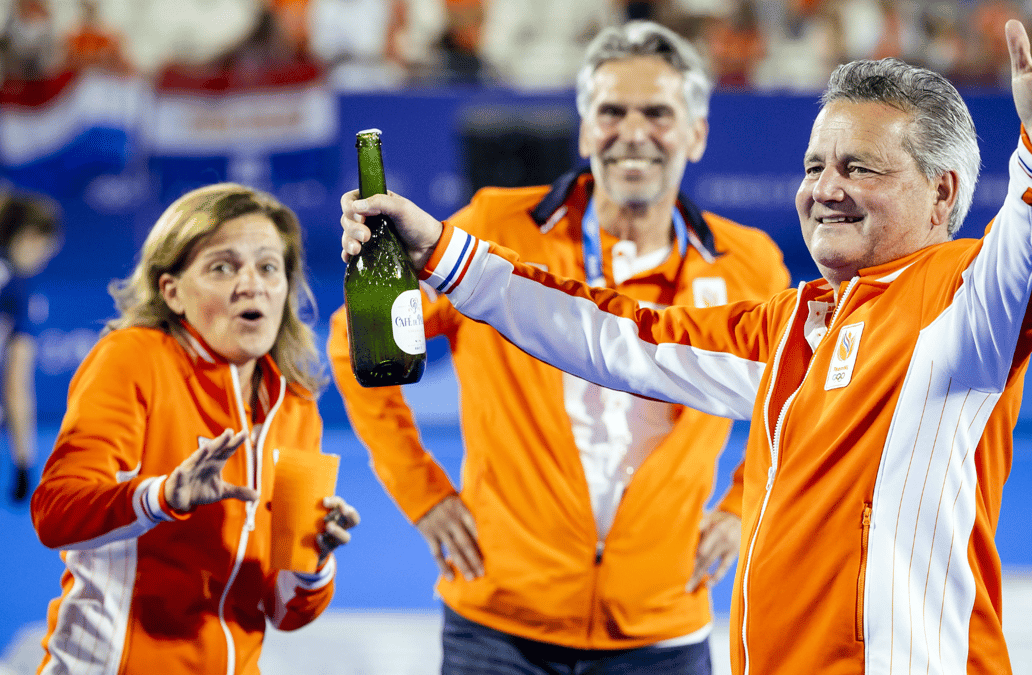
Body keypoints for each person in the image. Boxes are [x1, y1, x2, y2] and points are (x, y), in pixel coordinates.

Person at [338, 4, 1032, 674]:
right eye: (815, 165)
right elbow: (614, 336)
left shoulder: (964, 303)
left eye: (859, 167)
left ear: (942, 193)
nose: (825, 188)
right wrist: (439, 251)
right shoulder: (790, 324)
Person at [328, 20, 790, 675]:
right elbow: (355, 335)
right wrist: (421, 490)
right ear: (585, 131)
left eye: (658, 113)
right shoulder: (496, 229)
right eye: (612, 112)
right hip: (499, 626)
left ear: (696, 133)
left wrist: (746, 502)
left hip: (661, 628)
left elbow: (790, 397)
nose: (633, 132)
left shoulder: (750, 264)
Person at [31, 183, 360, 675]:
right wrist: (163, 497)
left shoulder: (297, 406)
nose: (251, 284)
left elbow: (285, 611)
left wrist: (313, 562)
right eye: (222, 267)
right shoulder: (131, 359)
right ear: (172, 292)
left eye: (269, 267)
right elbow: (55, 513)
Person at [0, 191, 60, 503]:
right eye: (45, 251)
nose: (42, 261)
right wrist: (23, 465)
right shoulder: (15, 287)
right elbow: (16, 384)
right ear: (29, 237)